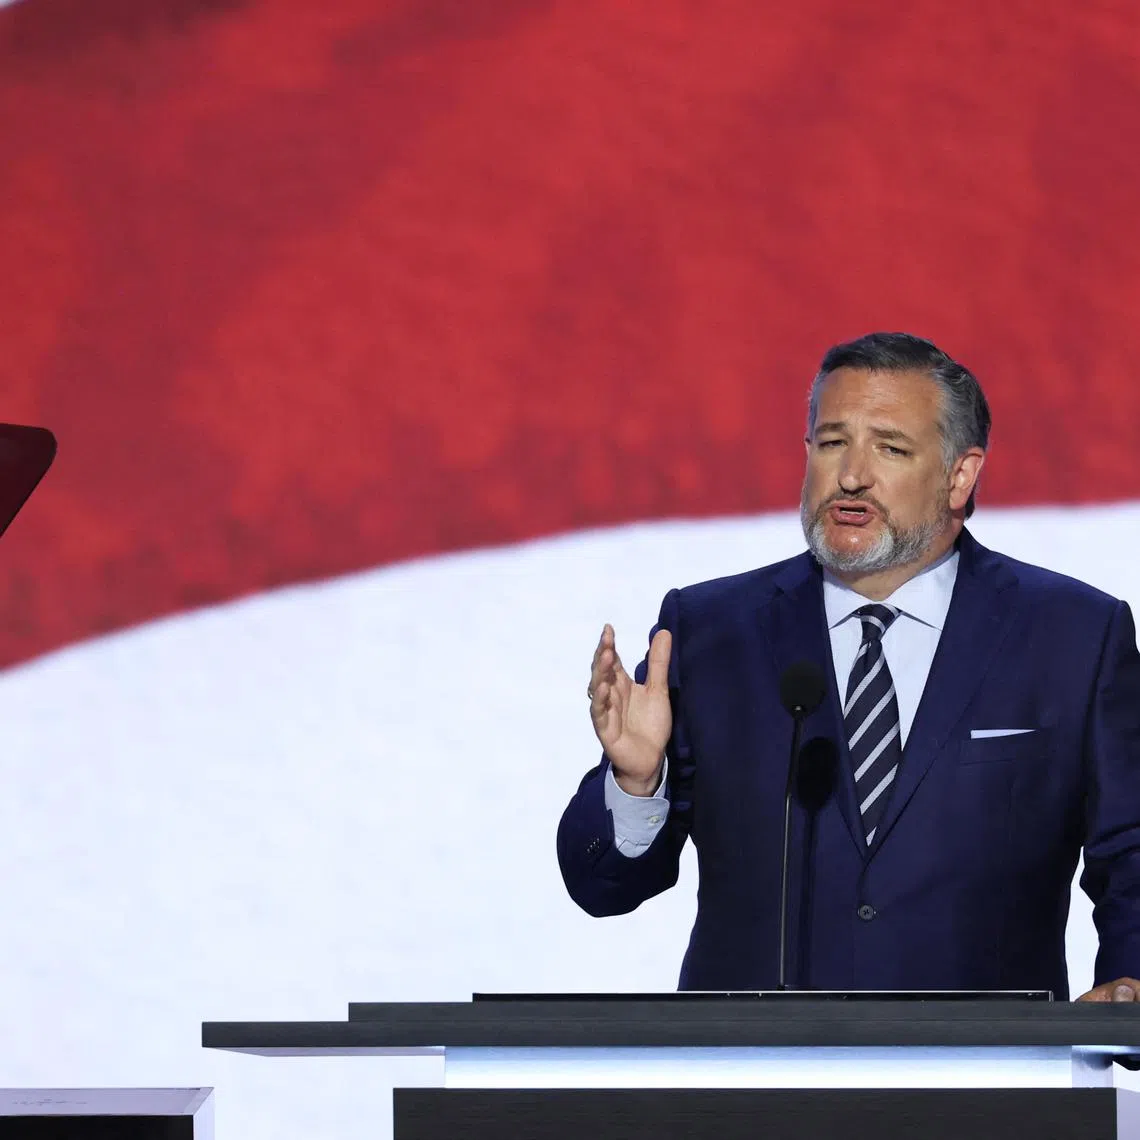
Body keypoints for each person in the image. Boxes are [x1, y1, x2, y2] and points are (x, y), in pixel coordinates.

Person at [557, 331, 1140, 1002]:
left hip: (985, 1084)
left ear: (960, 474)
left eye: (889, 448)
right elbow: (601, 887)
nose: (852, 475)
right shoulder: (710, 634)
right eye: (832, 443)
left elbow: (1133, 853)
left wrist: (1129, 985)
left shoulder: (1072, 635)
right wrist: (637, 782)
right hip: (755, 1086)